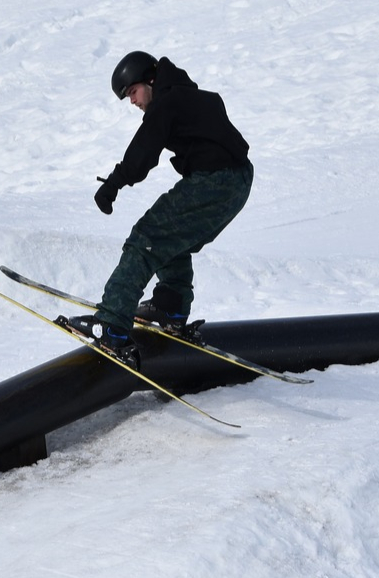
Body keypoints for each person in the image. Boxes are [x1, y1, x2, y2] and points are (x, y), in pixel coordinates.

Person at [70, 51, 253, 366]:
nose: (133, 102)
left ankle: (111, 325)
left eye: (133, 92)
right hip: (237, 180)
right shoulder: (185, 95)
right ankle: (171, 306)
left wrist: (113, 184)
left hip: (215, 181)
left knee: (146, 239)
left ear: (149, 80)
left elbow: (142, 153)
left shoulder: (168, 102)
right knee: (170, 238)